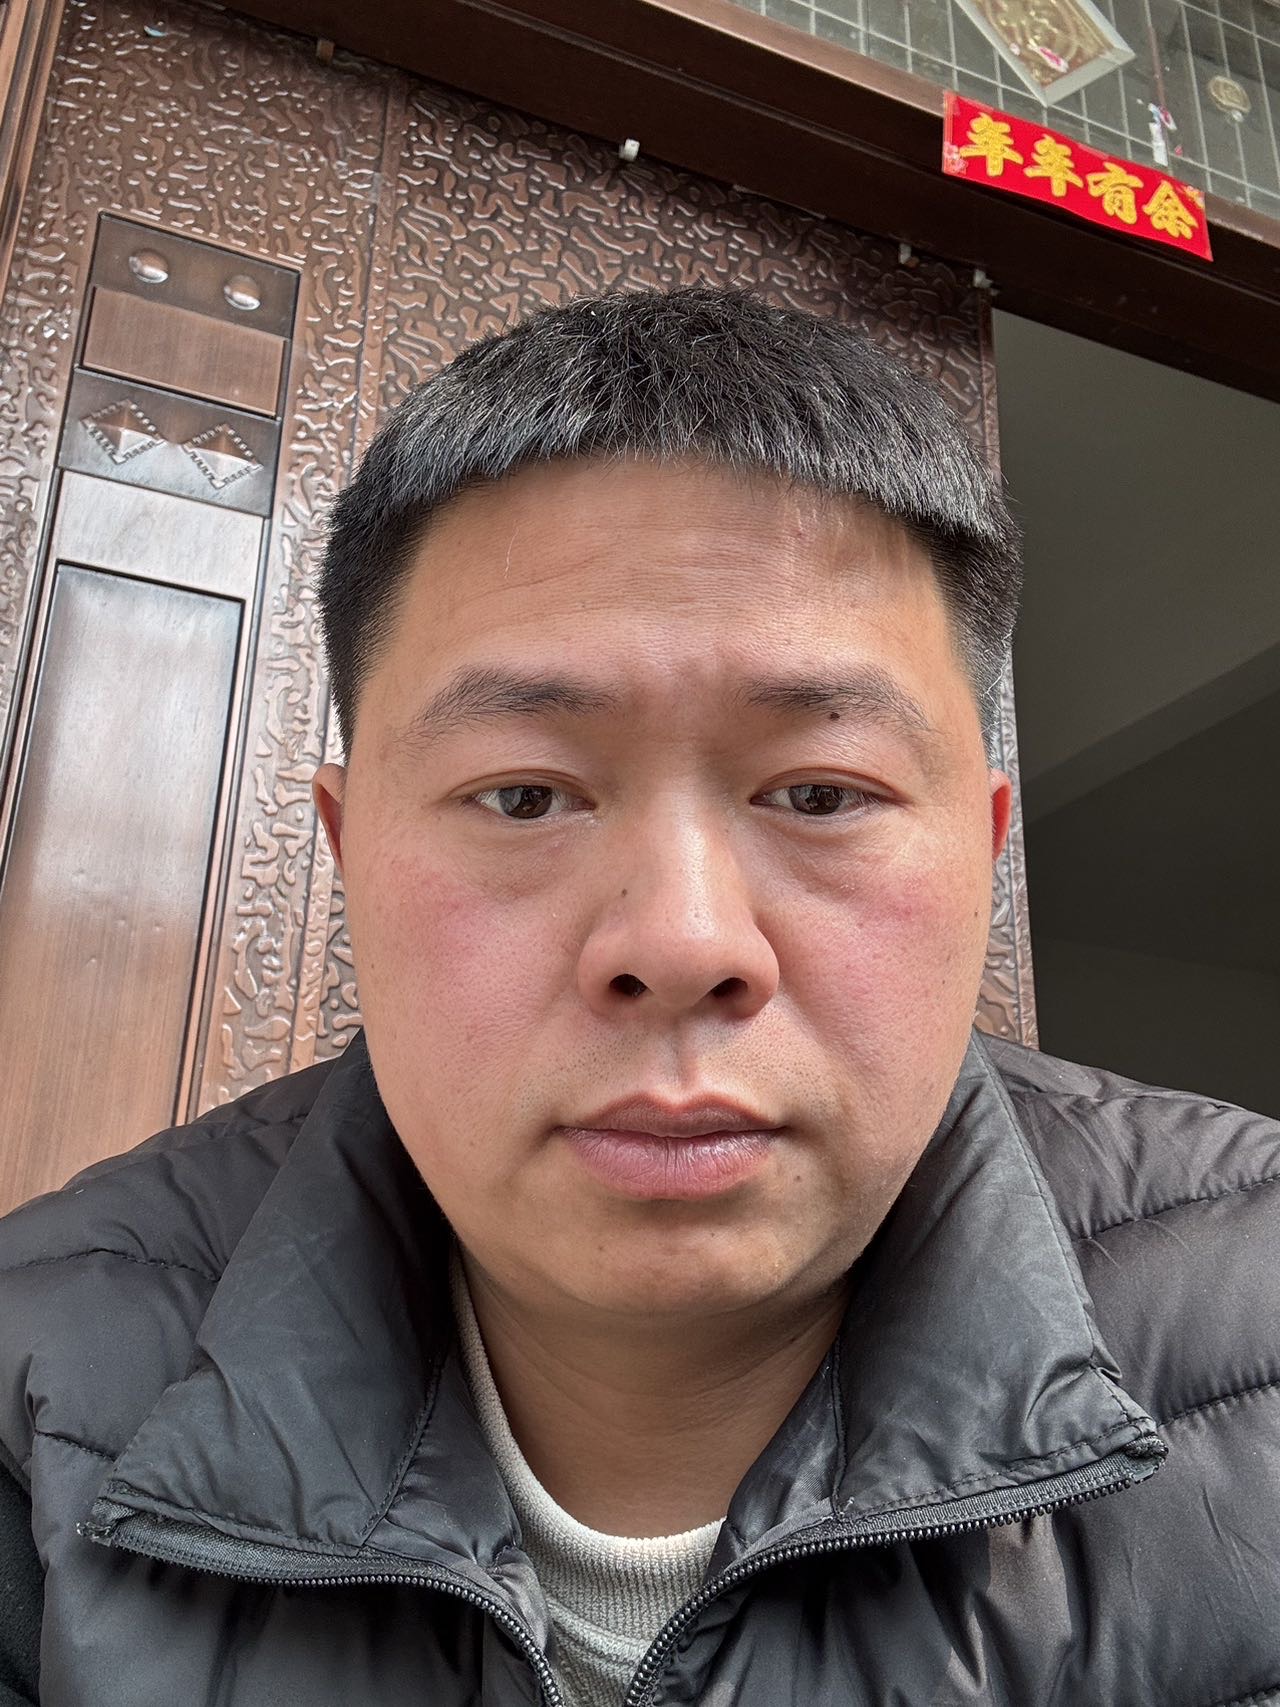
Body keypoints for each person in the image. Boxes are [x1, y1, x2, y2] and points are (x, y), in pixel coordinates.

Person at [0, 286, 1276, 1707]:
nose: (680, 942)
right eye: (525, 796)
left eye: (821, 794)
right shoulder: (32, 1401)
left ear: (982, 857)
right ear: (349, 854)